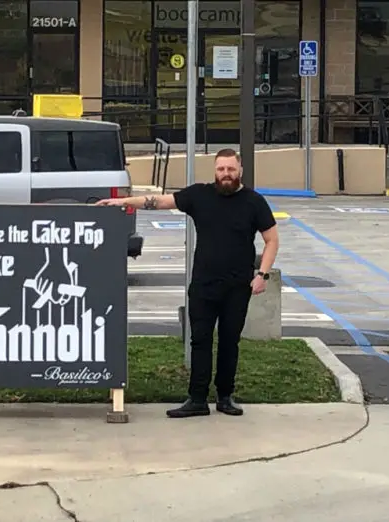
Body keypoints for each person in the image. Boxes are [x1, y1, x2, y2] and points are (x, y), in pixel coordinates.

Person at [95, 148, 279, 418]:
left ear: (240, 170)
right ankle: (197, 399)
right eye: (221, 169)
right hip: (203, 285)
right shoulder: (199, 195)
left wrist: (261, 275)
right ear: (214, 171)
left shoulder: (254, 202)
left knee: (230, 342)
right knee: (199, 341)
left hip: (238, 286)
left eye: (230, 169)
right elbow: (159, 201)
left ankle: (226, 397)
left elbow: (272, 240)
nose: (225, 174)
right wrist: (123, 203)